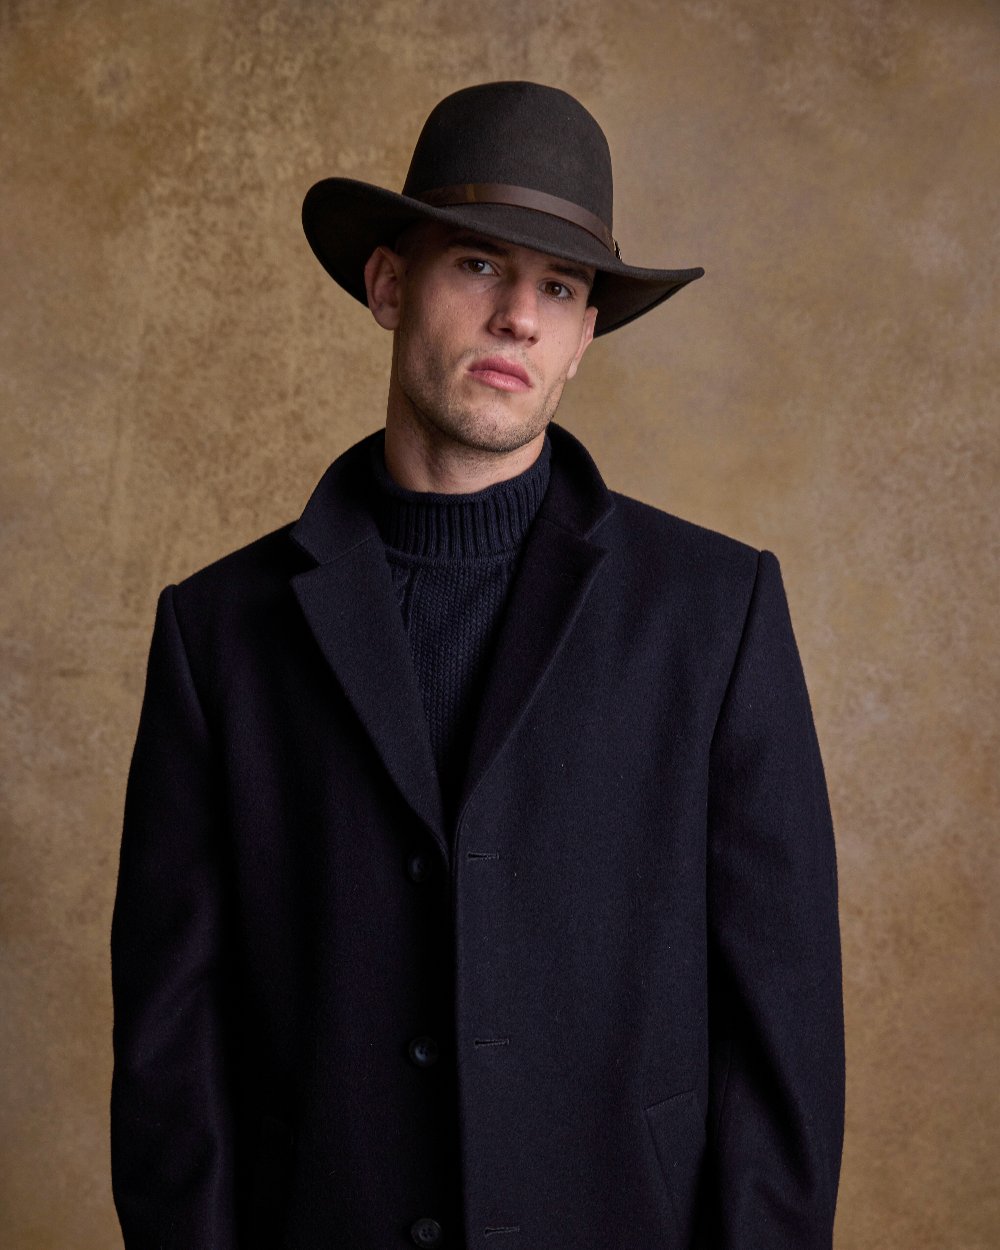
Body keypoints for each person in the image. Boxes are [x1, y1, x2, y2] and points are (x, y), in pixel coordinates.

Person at [110, 81, 844, 1250]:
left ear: (585, 336)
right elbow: (170, 1064)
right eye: (477, 266)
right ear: (389, 284)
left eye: (559, 286)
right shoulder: (218, 634)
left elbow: (783, 1038)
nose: (519, 316)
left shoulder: (715, 611)